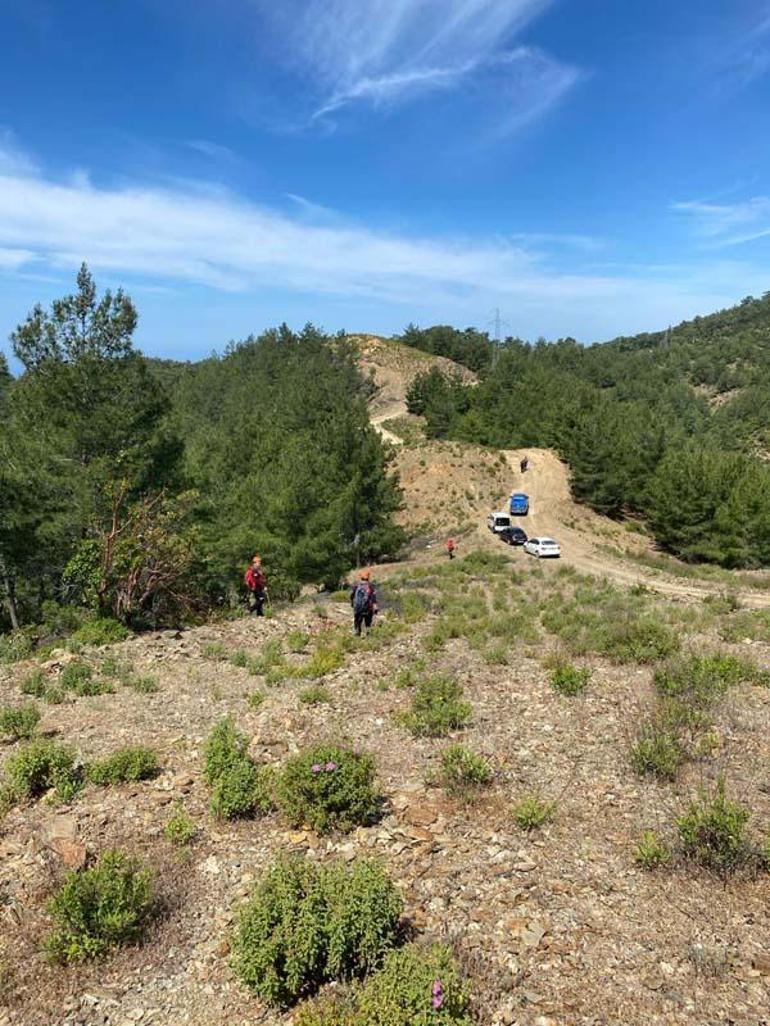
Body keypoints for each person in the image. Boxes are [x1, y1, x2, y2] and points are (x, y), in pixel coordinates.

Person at [350, 569, 378, 637]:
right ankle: (368, 634)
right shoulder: (370, 587)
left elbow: (351, 596)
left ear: (361, 577)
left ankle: (357, 633)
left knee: (357, 622)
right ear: (368, 578)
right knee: (368, 623)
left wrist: (353, 604)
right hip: (368, 609)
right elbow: (373, 598)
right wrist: (376, 608)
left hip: (358, 608)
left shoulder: (356, 586)